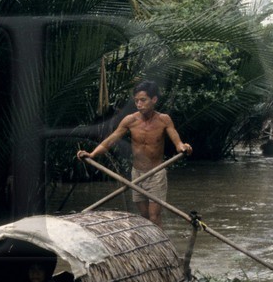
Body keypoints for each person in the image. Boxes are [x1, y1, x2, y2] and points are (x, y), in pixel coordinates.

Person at [77, 80, 192, 225]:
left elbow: (178, 143)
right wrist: (92, 154)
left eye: (143, 100)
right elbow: (111, 140)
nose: (139, 104)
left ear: (154, 99)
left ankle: (158, 246)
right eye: (136, 101)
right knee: (144, 216)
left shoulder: (164, 120)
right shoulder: (130, 120)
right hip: (137, 174)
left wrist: (183, 148)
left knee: (154, 216)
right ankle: (147, 243)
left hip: (156, 174)